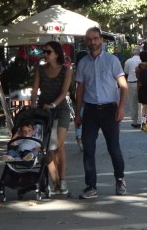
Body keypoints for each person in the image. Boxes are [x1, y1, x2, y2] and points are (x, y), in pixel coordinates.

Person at [74, 27, 128, 200]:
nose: (93, 42)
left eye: (95, 38)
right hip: (90, 111)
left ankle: (120, 179)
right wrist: (77, 113)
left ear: (101, 40)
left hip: (109, 110)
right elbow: (80, 89)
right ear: (85, 41)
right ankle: (91, 186)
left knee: (114, 148)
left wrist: (121, 108)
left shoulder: (112, 61)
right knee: (88, 149)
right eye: (89, 39)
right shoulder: (83, 63)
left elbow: (124, 85)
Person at [30, 40, 73, 196]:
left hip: (60, 109)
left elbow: (63, 93)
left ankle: (62, 180)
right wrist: (33, 101)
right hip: (44, 111)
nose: (45, 55)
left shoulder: (66, 70)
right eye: (44, 52)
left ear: (57, 53)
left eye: (48, 52)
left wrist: (53, 104)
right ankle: (54, 182)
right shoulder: (40, 69)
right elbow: (34, 89)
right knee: (48, 148)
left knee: (58, 145)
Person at [123, 47, 143, 129]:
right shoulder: (142, 61)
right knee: (141, 103)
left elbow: (126, 72)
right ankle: (141, 120)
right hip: (141, 83)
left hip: (131, 82)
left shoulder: (128, 61)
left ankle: (134, 121)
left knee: (133, 102)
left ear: (133, 53)